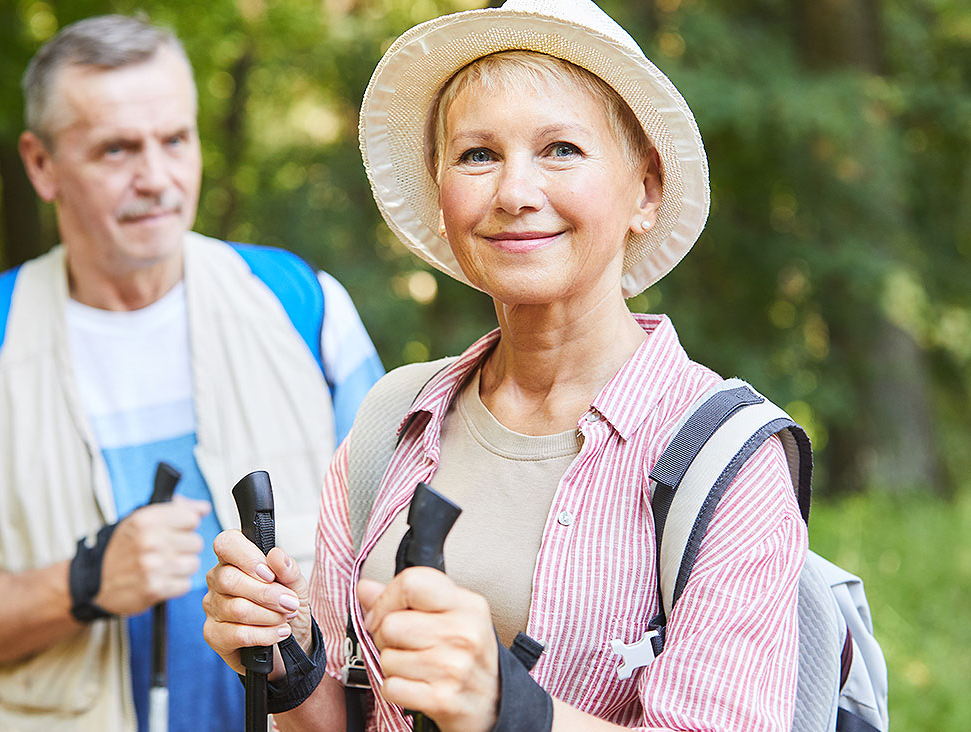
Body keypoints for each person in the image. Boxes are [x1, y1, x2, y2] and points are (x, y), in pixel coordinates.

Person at [203, 0, 808, 730]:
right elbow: (348, 720)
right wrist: (283, 659)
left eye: (561, 150)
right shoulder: (391, 426)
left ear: (645, 190)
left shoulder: (726, 462)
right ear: (441, 189)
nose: (515, 194)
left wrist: (503, 705)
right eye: (478, 154)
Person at [0, 14, 384, 732]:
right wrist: (81, 584)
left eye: (175, 139)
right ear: (41, 164)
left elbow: (395, 560)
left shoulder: (306, 308)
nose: (157, 178)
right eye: (117, 149)